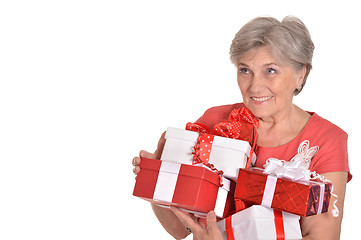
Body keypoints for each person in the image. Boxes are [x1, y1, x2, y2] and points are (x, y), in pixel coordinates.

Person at [132, 16, 351, 240]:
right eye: (245, 70)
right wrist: (158, 179)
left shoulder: (327, 140)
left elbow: (321, 237)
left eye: (271, 70)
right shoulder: (214, 121)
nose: (255, 86)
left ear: (300, 74)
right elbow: (180, 230)